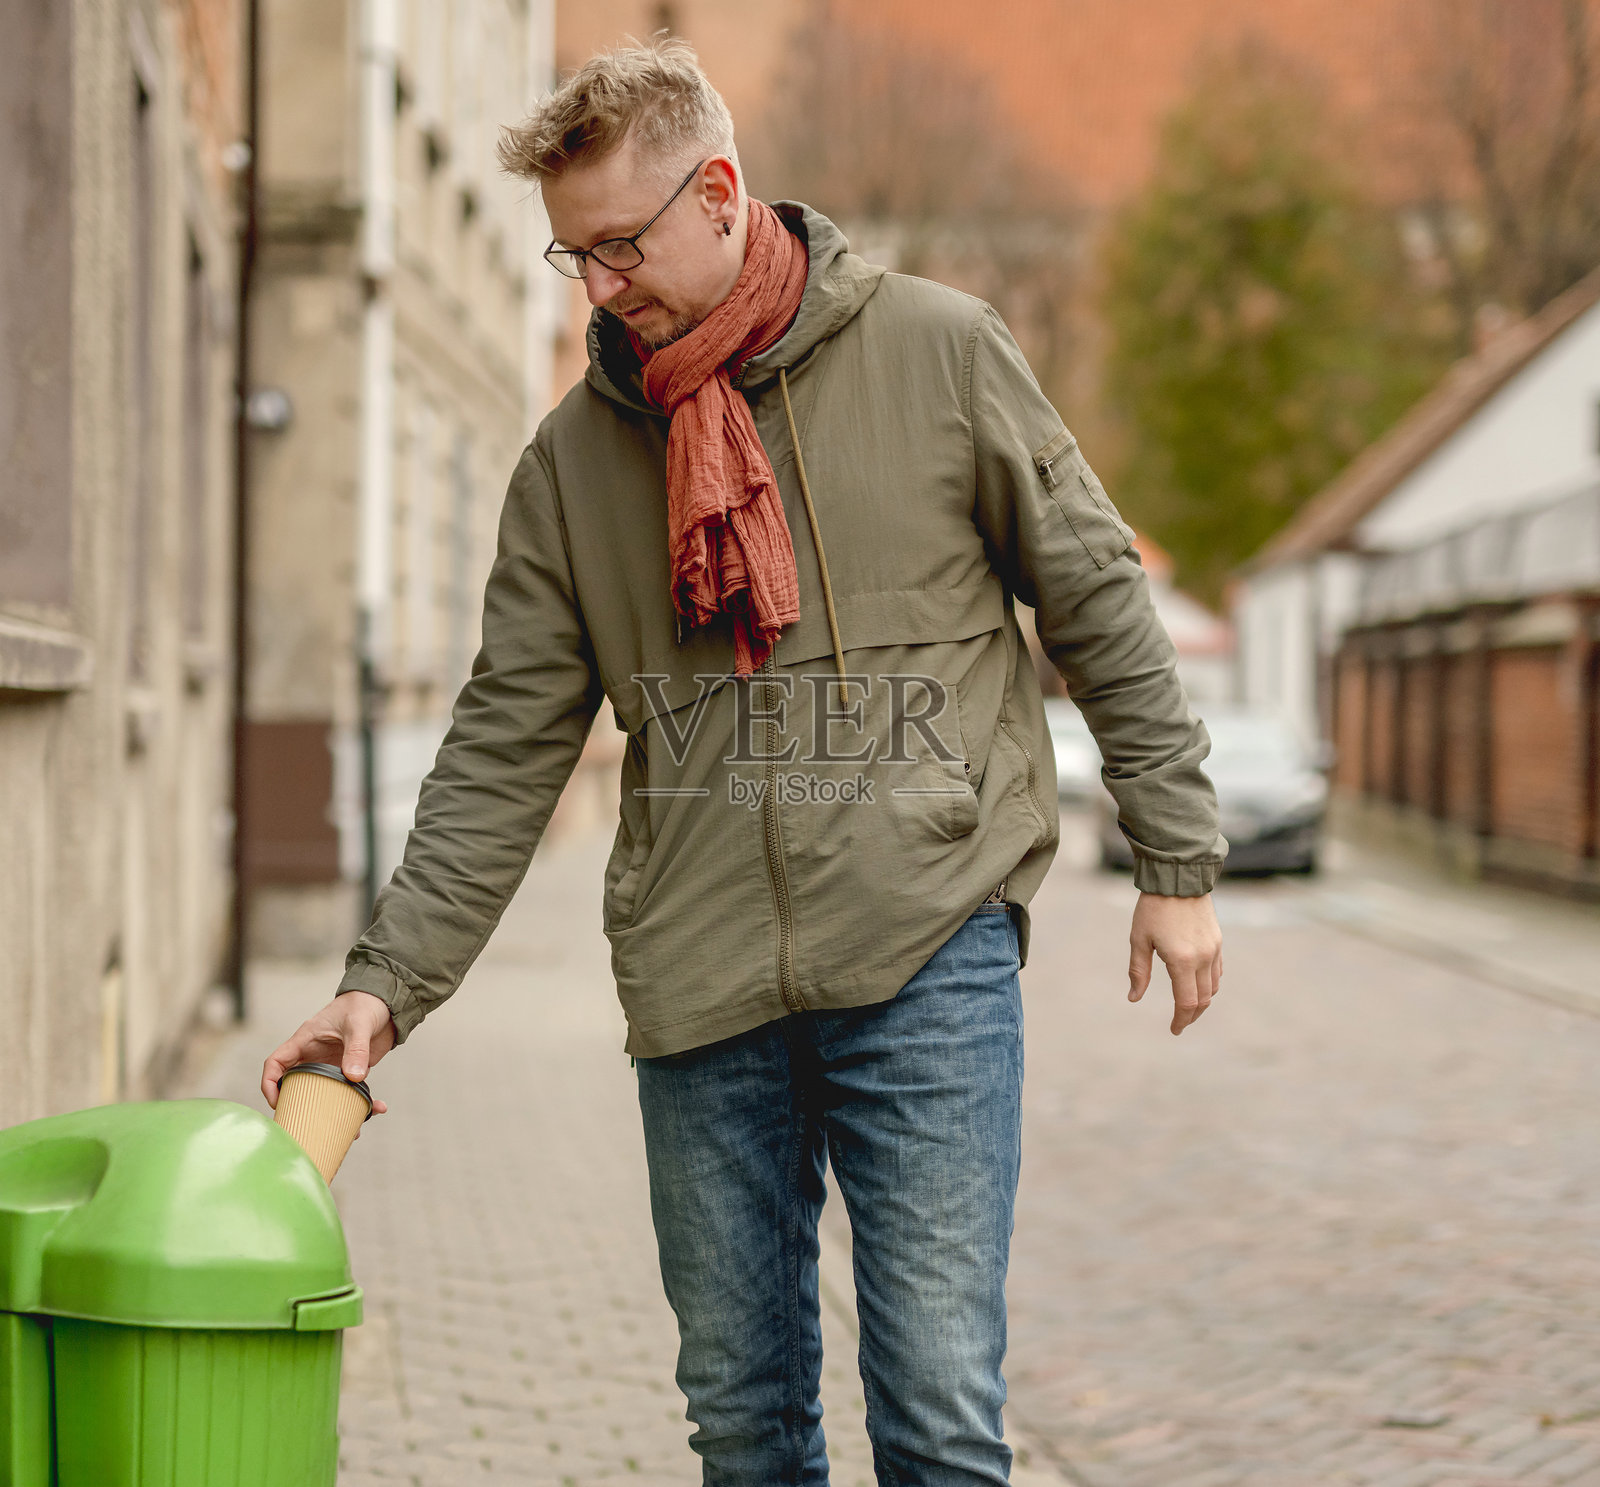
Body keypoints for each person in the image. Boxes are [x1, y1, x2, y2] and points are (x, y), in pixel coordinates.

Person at [263, 38, 1225, 1486]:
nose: (596, 290)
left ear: (720, 193)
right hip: (701, 985)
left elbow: (1095, 599)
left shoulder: (942, 354)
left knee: (942, 1416)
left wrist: (1177, 859)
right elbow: (502, 745)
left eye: (617, 248)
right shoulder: (572, 464)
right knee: (744, 1426)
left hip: (927, 958)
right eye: (570, 259)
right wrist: (386, 980)